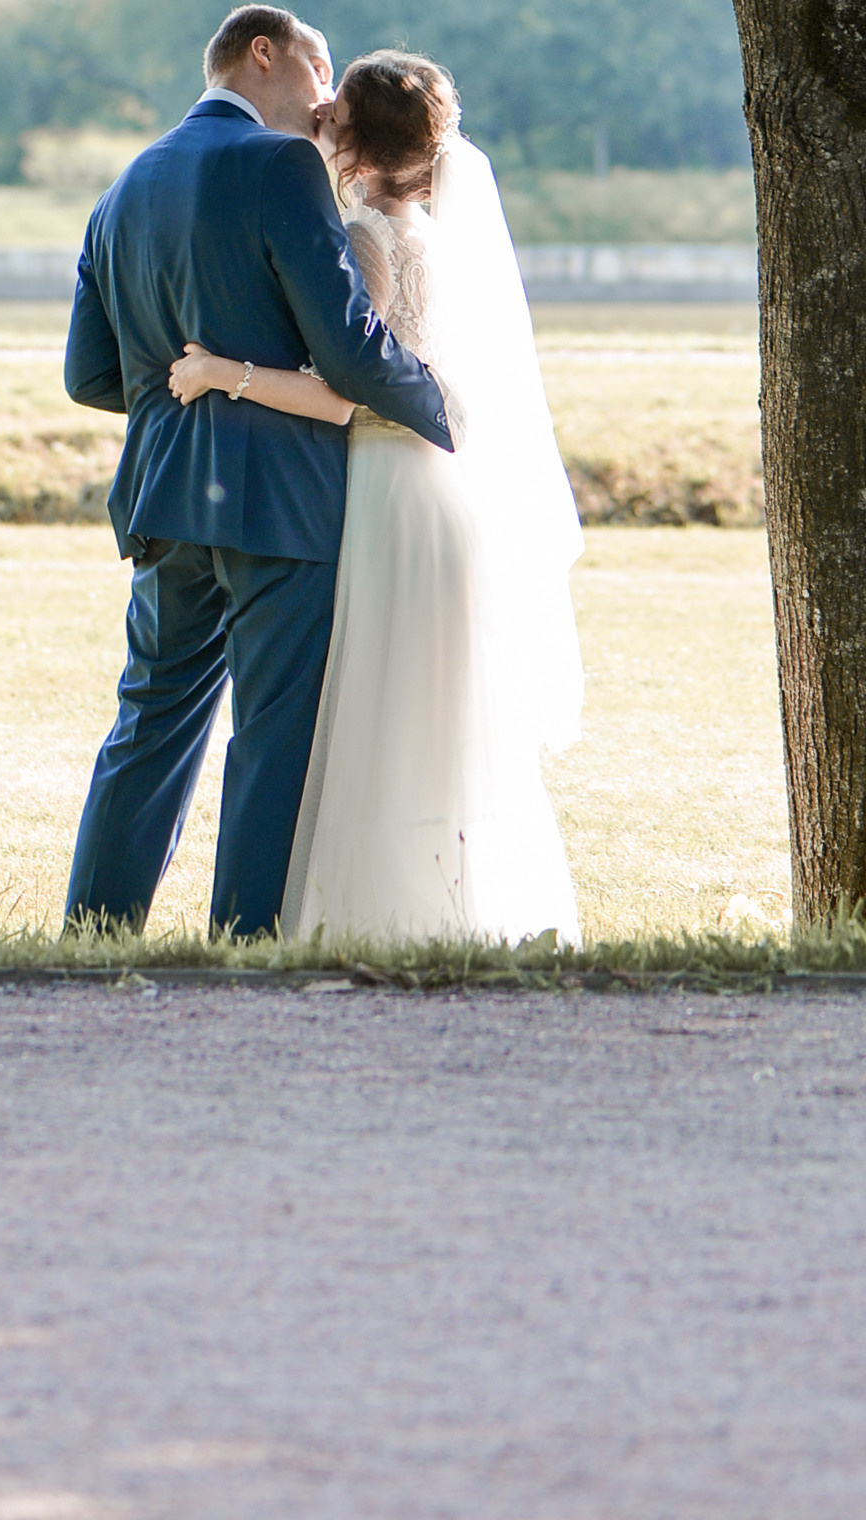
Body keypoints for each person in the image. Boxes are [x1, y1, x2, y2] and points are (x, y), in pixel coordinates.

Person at [169, 50, 583, 944]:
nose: (315, 119)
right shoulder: (424, 230)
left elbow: (350, 389)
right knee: (423, 724)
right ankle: (444, 907)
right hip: (435, 495)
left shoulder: (362, 236)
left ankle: (369, 915)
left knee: (375, 716)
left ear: (349, 133)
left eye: (331, 114)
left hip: (386, 492)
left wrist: (220, 373)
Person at [62, 5, 452, 937]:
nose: (327, 102)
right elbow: (354, 355)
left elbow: (89, 376)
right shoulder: (279, 167)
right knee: (271, 738)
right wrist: (443, 410)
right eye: (321, 73)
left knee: (149, 723)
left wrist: (189, 396)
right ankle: (243, 944)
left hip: (164, 494)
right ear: (264, 53)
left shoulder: (124, 184)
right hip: (280, 501)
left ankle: (94, 936)